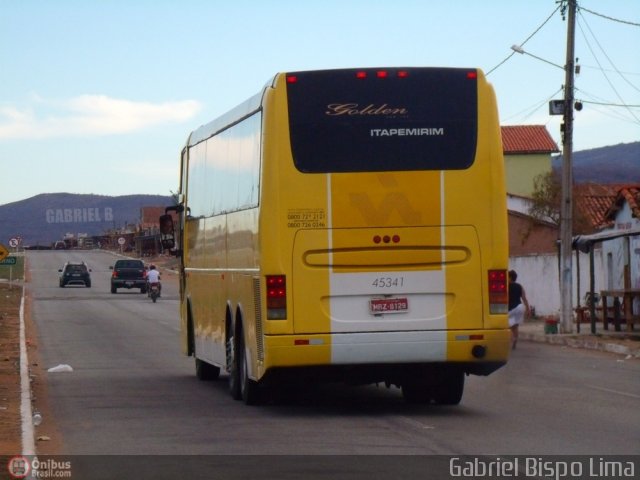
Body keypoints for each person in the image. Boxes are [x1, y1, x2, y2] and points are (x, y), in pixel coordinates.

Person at [508, 270, 530, 349]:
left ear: (510, 277)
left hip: (511, 309)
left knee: (509, 326)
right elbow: (524, 298)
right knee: (515, 326)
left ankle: (511, 340)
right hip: (520, 307)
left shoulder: (506, 286)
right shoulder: (520, 286)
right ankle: (515, 339)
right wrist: (528, 309)